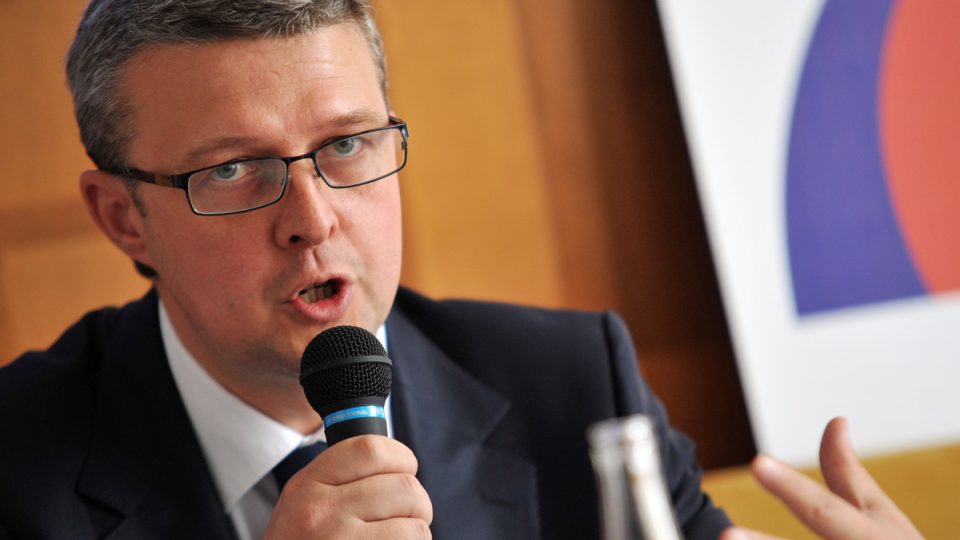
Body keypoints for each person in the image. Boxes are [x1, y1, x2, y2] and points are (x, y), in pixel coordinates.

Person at [0, 1, 920, 539]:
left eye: (347, 144)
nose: (313, 218)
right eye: (236, 170)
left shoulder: (570, 385)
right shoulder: (17, 472)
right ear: (125, 218)